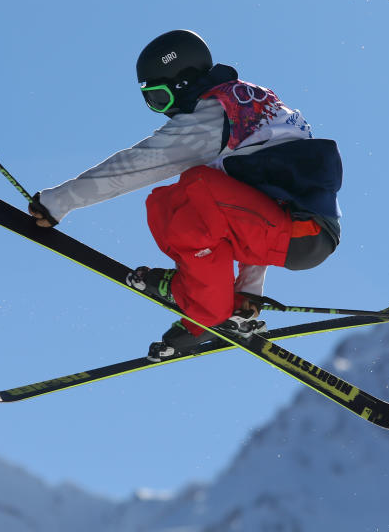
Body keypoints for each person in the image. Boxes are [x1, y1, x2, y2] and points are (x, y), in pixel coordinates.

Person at [28, 30, 342, 361]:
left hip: (295, 231)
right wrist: (248, 293)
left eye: (160, 99)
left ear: (182, 82)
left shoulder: (213, 117)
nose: (165, 112)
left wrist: (60, 201)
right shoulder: (249, 105)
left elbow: (137, 165)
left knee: (189, 195)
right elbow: (264, 197)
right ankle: (211, 299)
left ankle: (206, 312)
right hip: (299, 233)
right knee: (169, 203)